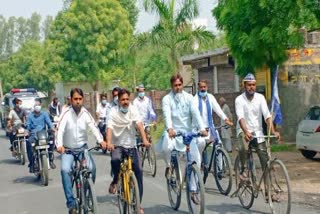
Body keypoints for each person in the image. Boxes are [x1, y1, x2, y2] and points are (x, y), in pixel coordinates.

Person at [158, 74, 207, 204]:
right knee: (167, 147)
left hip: (187, 135)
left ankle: (193, 189)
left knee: (195, 159)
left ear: (182, 85)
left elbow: (196, 113)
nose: (178, 88)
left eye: (180, 85)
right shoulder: (166, 99)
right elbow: (167, 115)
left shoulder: (189, 98)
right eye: (175, 85)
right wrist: (170, 129)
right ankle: (170, 168)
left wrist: (202, 128)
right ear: (172, 86)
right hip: (173, 134)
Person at [56, 88, 106, 214]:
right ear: (71, 100)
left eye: (80, 99)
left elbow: (94, 128)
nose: (78, 101)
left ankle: (88, 193)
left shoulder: (86, 113)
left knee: (92, 168)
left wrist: (101, 140)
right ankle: (71, 203)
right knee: (65, 170)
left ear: (83, 100)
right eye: (75, 99)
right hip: (68, 150)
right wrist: (59, 145)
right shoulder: (66, 113)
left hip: (83, 149)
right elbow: (59, 130)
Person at [105, 88, 150, 214]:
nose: (125, 102)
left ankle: (138, 204)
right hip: (117, 145)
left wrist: (145, 140)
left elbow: (139, 124)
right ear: (118, 101)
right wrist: (109, 143)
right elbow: (109, 128)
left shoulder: (133, 109)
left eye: (127, 99)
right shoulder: (113, 112)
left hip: (131, 146)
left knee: (139, 172)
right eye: (122, 99)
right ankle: (115, 180)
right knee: (115, 160)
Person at [235, 73, 280, 181]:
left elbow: (267, 116)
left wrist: (273, 131)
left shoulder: (260, 98)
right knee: (243, 147)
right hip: (243, 130)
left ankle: (269, 192)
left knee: (265, 160)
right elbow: (240, 118)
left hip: (257, 132)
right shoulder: (239, 100)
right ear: (244, 86)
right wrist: (246, 131)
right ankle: (243, 169)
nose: (251, 87)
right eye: (249, 85)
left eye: (253, 85)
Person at [193, 80, 233, 165]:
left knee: (219, 144)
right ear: (198, 88)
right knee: (201, 144)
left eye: (204, 87)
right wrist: (201, 129)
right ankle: (198, 165)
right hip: (199, 130)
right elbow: (195, 116)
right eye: (201, 87)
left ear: (207, 87)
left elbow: (218, 109)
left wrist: (226, 119)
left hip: (210, 128)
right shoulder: (195, 100)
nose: (203, 89)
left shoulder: (210, 97)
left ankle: (220, 169)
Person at [26, 98, 55, 172]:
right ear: (34, 106)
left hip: (43, 134)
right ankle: (32, 163)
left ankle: (51, 159)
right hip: (33, 135)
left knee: (52, 139)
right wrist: (27, 130)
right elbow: (28, 125)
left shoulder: (44, 114)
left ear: (40, 105)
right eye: (36, 105)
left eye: (38, 105)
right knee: (28, 143)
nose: (37, 106)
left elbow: (49, 122)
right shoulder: (30, 115)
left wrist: (52, 128)